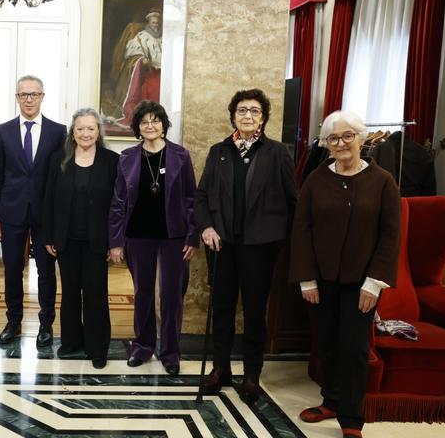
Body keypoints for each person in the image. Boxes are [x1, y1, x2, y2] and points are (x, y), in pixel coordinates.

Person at [290, 110, 400, 438]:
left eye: (347, 136)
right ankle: (332, 400)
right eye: (333, 138)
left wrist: (375, 283)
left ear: (362, 138)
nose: (340, 144)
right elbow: (302, 229)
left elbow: (391, 235)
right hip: (321, 281)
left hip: (362, 283)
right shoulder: (316, 180)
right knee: (328, 344)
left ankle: (352, 421)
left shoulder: (383, 181)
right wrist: (306, 277)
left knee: (353, 349)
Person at [194, 88, 297, 402]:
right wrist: (207, 227)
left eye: (254, 111)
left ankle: (252, 374)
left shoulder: (277, 152)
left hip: (260, 247)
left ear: (263, 117)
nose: (248, 116)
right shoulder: (219, 151)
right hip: (223, 246)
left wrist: (277, 241)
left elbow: (291, 201)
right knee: (223, 308)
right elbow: (201, 198)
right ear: (233, 115)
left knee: (254, 312)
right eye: (242, 110)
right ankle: (220, 368)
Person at [108, 100, 198, 375]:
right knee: (143, 292)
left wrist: (192, 236)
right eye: (144, 122)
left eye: (155, 121)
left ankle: (170, 352)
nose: (150, 125)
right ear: (138, 127)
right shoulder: (127, 157)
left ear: (163, 125)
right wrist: (115, 241)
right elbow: (118, 202)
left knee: (172, 294)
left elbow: (191, 199)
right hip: (138, 235)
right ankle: (142, 346)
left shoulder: (181, 156)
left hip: (174, 236)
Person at [0, 75, 66, 347]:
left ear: (43, 96)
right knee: (12, 268)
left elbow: (62, 176)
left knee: (46, 271)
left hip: (46, 215)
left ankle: (46, 324)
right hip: (11, 212)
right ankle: (13, 321)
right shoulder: (3, 130)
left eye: (34, 94)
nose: (29, 99)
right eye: (24, 94)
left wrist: (59, 219)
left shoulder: (59, 132)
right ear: (17, 98)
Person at [42, 108, 119, 368]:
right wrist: (49, 236)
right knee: (71, 293)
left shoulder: (112, 161)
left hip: (98, 240)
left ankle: (97, 348)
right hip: (66, 240)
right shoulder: (58, 160)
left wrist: (115, 241)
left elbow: (118, 205)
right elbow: (48, 201)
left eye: (91, 128)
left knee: (96, 294)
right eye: (80, 128)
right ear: (72, 133)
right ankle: (71, 342)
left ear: (99, 132)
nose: (85, 133)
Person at [115, 11, 162, 124]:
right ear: (149, 23)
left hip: (161, 72)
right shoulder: (142, 36)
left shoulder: (162, 37)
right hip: (148, 72)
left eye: (156, 23)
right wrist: (142, 59)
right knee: (152, 88)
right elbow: (131, 52)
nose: (155, 25)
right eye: (153, 22)